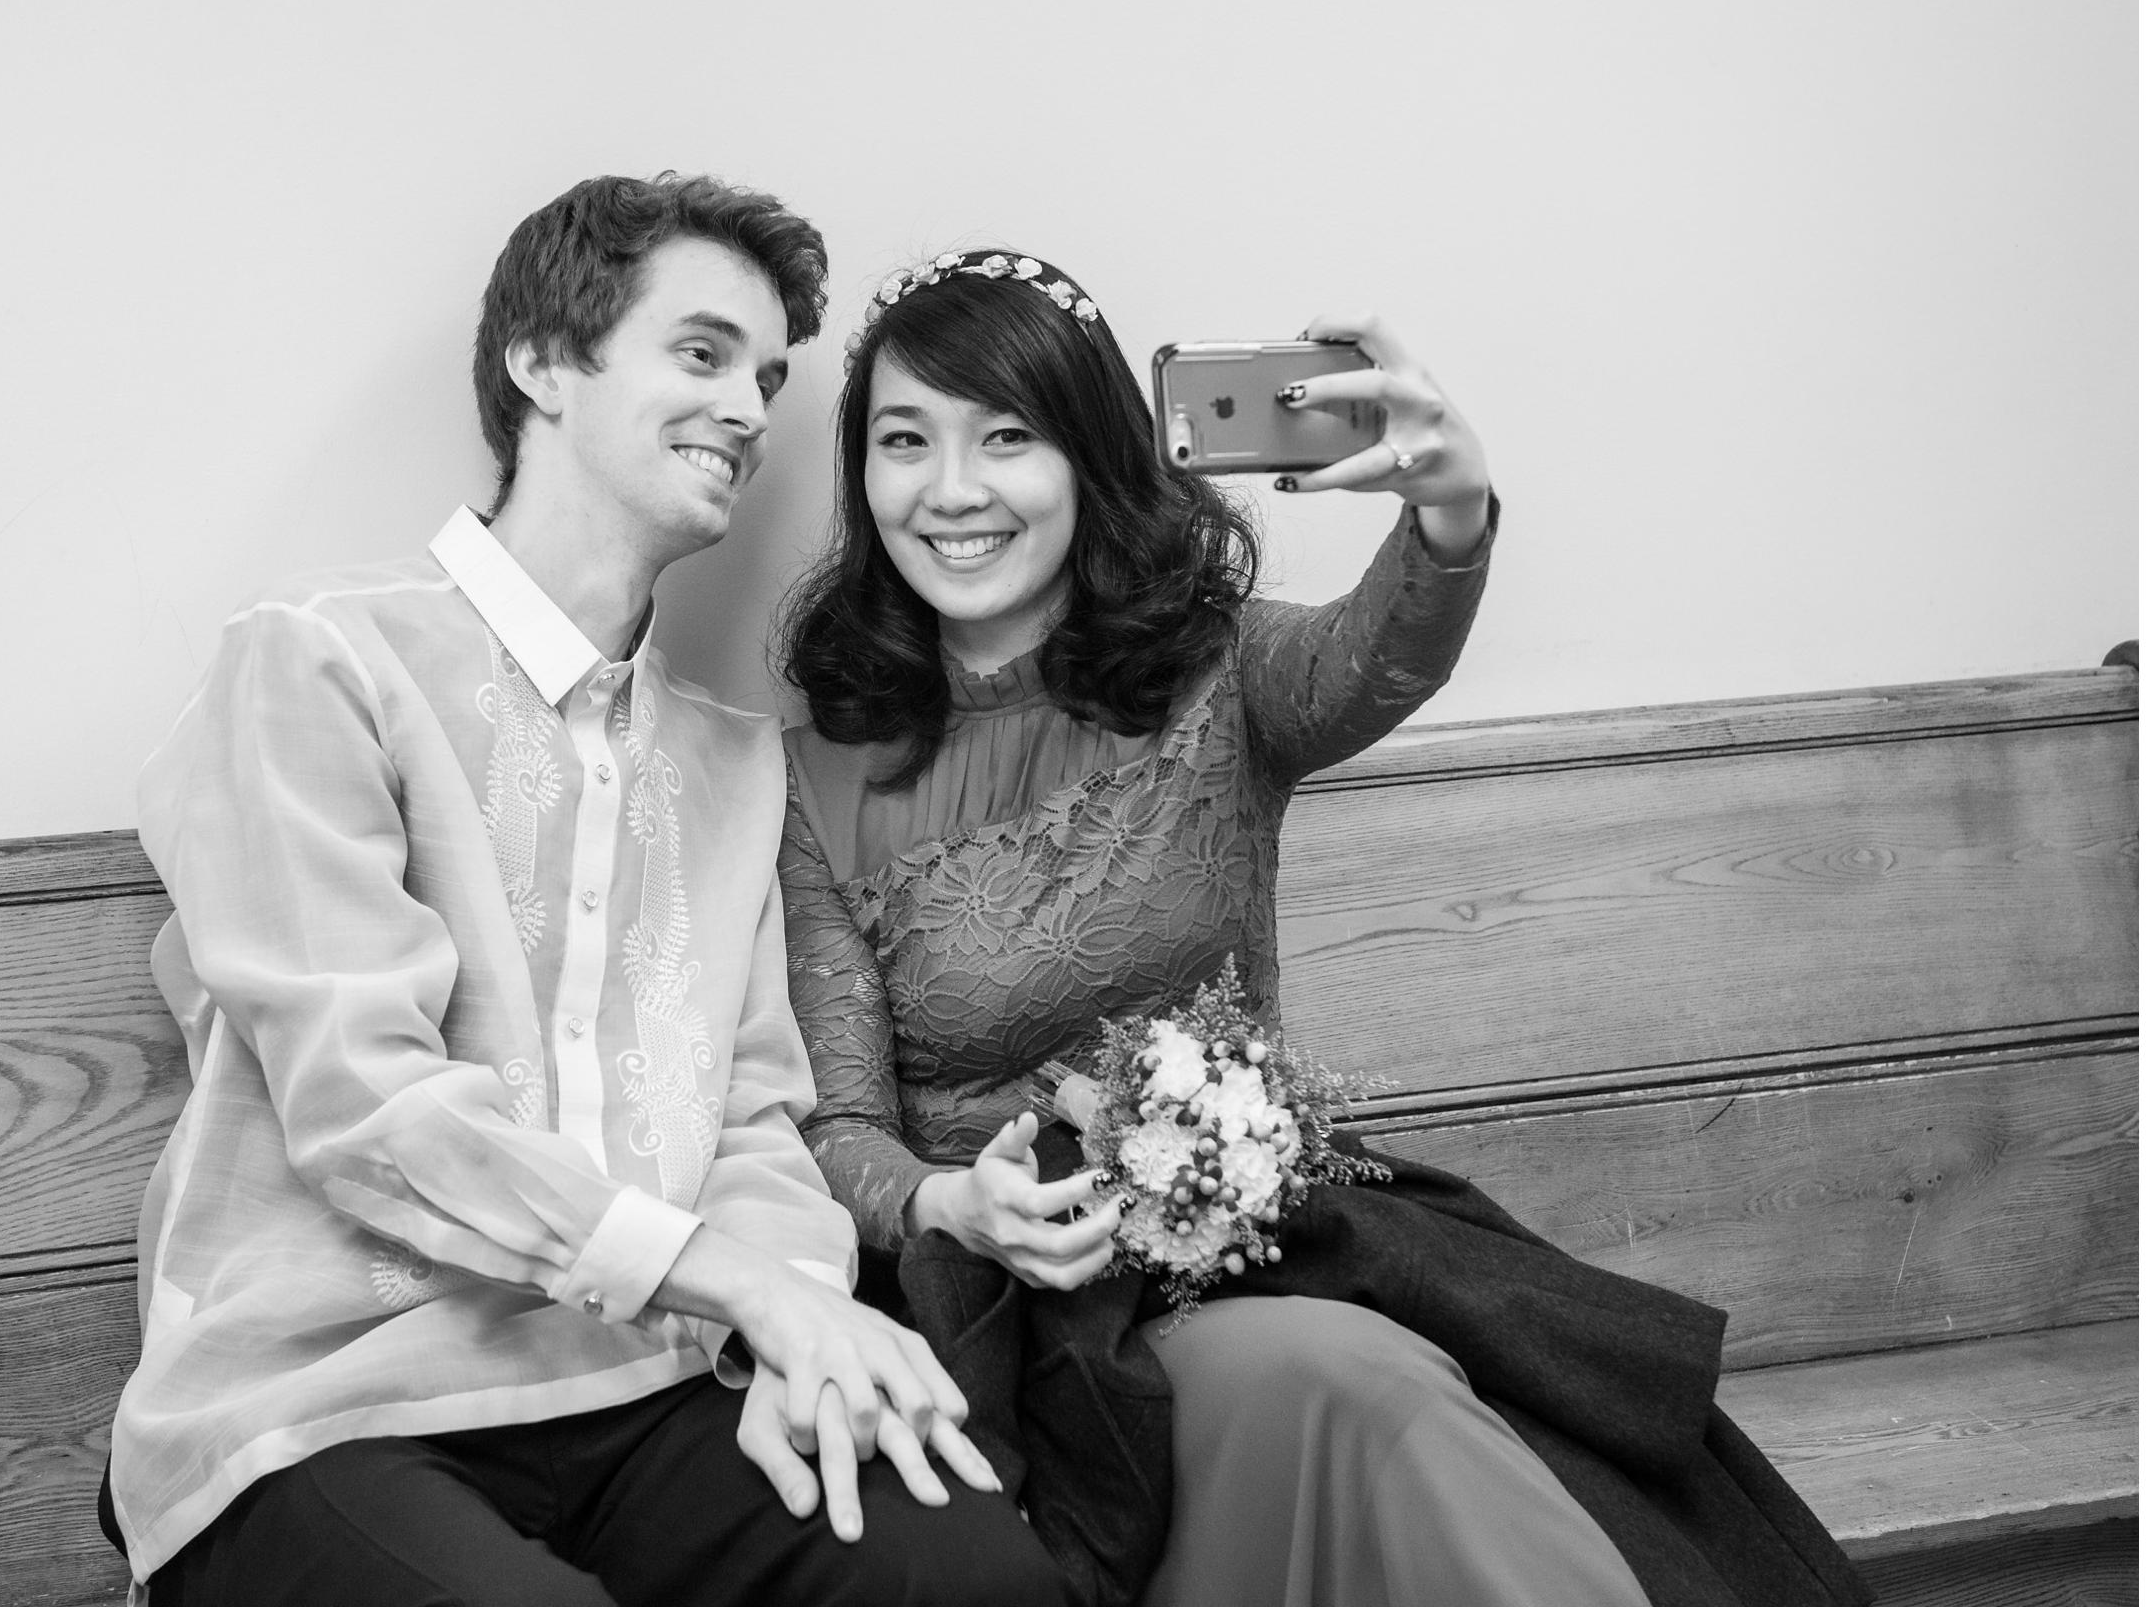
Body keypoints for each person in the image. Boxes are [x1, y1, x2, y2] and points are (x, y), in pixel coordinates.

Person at [774, 249, 1871, 1604]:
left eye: (1008, 437)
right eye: (904, 441)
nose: (951, 491)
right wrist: (958, 1205)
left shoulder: (1222, 674)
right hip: (1007, 1328)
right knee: (1353, 1388)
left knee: (1402, 1397)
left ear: (1091, 458)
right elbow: (836, 1131)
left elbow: (1383, 654)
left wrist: (1451, 511)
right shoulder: (814, 777)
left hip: (1263, 1257)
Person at [98, 179, 1068, 1606]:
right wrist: (738, 1289)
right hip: (324, 1415)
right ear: (542, 364)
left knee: (978, 1572)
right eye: (702, 354)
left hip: (651, 1388)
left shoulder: (736, 764)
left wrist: (784, 1324)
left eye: (768, 376)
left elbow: (751, 1113)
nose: (749, 405)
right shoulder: (317, 663)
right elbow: (367, 1107)